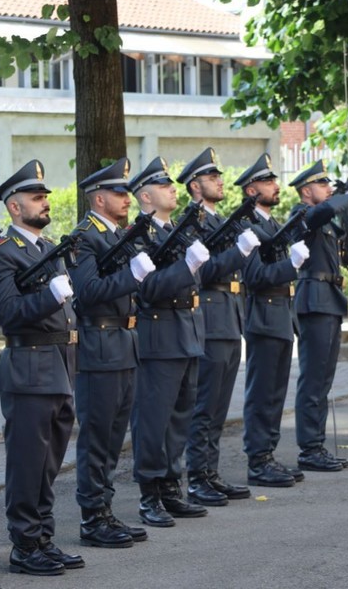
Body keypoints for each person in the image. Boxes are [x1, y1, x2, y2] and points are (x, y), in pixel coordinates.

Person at [0, 160, 83, 576]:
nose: (45, 203)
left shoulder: (46, 249)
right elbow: (8, 312)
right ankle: (24, 545)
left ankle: (42, 536)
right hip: (28, 367)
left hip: (58, 365)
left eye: (44, 196)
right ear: (13, 207)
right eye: (36, 198)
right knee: (28, 462)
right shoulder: (2, 253)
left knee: (49, 461)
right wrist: (50, 298)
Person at [69, 157, 155, 548]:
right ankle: (92, 518)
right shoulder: (85, 236)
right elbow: (86, 293)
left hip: (123, 344)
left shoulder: (119, 234)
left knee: (114, 437)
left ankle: (105, 510)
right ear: (99, 198)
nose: (126, 198)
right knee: (97, 438)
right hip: (99, 346)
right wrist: (130, 276)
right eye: (119, 192)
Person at [128, 156, 211, 527]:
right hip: (159, 337)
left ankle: (170, 488)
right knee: (153, 421)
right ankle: (149, 495)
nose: (171, 189)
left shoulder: (178, 228)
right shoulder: (139, 236)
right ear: (145, 197)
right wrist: (186, 267)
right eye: (162, 186)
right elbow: (148, 289)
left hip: (186, 333)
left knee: (179, 419)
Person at [178, 148, 261, 506]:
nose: (221, 181)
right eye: (213, 178)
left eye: (219, 176)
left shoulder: (221, 219)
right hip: (210, 318)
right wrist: (238, 254)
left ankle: (210, 472)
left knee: (220, 405)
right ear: (195, 185)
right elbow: (205, 271)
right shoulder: (191, 223)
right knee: (205, 404)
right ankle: (197, 476)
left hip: (229, 317)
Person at [236, 153, 310, 488]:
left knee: (277, 392)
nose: (276, 186)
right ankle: (257, 460)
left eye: (274, 180)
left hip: (280, 315)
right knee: (262, 391)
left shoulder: (272, 223)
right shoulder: (246, 226)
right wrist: (290, 266)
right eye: (268, 182)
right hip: (263, 316)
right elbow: (254, 276)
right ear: (251, 189)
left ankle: (268, 452)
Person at [288, 160, 348, 471]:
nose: (329, 189)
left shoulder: (326, 222)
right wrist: (345, 199)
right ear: (307, 191)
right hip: (313, 300)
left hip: (329, 299)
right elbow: (321, 213)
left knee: (324, 378)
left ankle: (316, 444)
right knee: (314, 378)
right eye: (322, 185)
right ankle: (309, 448)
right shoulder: (301, 214)